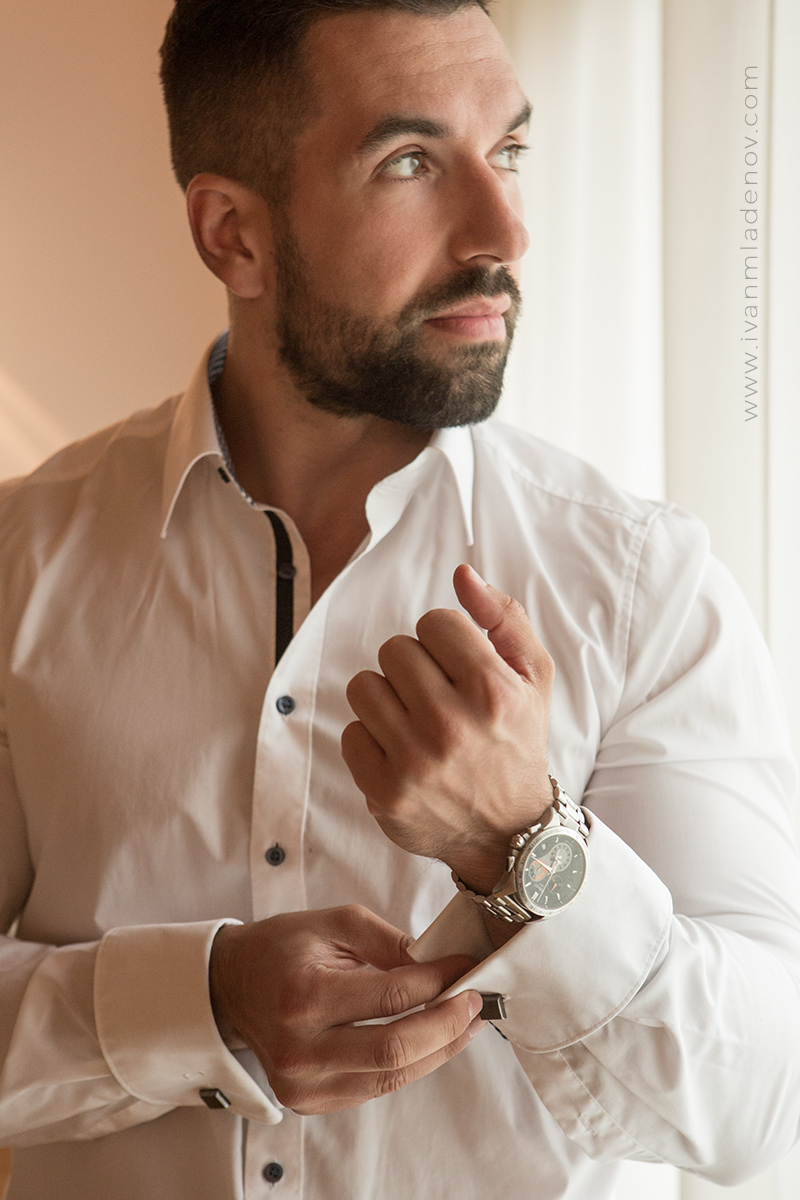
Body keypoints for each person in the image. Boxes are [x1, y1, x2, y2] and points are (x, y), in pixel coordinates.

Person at [1, 1, 799, 1197]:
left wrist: (519, 842)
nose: (504, 229)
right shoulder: (20, 562)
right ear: (234, 237)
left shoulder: (640, 583)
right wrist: (199, 1005)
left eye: (508, 150)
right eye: (411, 162)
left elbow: (760, 1101)